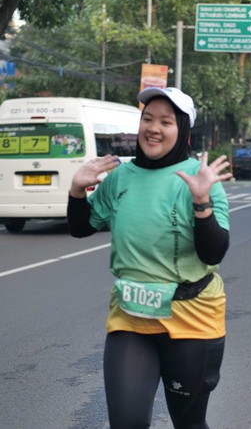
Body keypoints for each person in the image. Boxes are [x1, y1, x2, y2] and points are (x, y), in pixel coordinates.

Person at [67, 87, 232, 429]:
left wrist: (201, 203)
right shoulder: (121, 177)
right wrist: (77, 190)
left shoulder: (199, 179)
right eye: (148, 119)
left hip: (192, 317)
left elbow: (213, 251)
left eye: (166, 122)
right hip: (131, 317)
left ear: (182, 131)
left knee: (189, 424)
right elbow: (82, 227)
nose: (153, 128)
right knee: (126, 422)